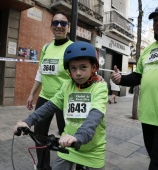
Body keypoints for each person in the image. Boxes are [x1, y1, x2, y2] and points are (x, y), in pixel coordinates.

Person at [14, 41, 108, 170]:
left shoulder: (100, 88)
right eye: (73, 68)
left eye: (83, 67)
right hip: (68, 145)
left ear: (94, 67)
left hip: (92, 149)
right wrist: (28, 121)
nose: (78, 73)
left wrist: (79, 136)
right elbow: (50, 105)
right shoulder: (67, 85)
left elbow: (95, 116)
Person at [111, 7, 158, 170]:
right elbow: (137, 77)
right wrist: (121, 79)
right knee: (152, 155)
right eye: (155, 21)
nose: (157, 24)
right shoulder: (148, 51)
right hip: (148, 116)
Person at [26, 11, 73, 170]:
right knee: (39, 134)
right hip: (45, 97)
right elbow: (41, 71)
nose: (59, 26)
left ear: (68, 27)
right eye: (55, 23)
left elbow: (81, 72)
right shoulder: (46, 48)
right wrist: (32, 94)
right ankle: (43, 166)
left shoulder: (72, 47)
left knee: (66, 134)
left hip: (64, 99)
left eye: (63, 23)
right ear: (51, 26)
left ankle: (67, 164)